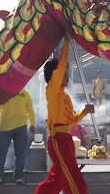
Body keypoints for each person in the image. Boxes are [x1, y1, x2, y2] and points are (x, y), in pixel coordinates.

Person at [35, 40, 95, 194]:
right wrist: (67, 41)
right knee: (72, 176)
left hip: (65, 138)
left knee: (58, 179)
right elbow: (61, 64)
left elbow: (70, 121)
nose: (67, 76)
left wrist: (84, 112)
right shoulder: (52, 90)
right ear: (56, 75)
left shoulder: (64, 96)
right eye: (64, 74)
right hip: (58, 139)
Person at [0, 88, 36, 185]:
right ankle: (19, 177)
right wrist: (32, 123)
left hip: (5, 127)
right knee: (20, 153)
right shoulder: (25, 93)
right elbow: (30, 109)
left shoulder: (4, 91)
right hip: (21, 126)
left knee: (1, 153)